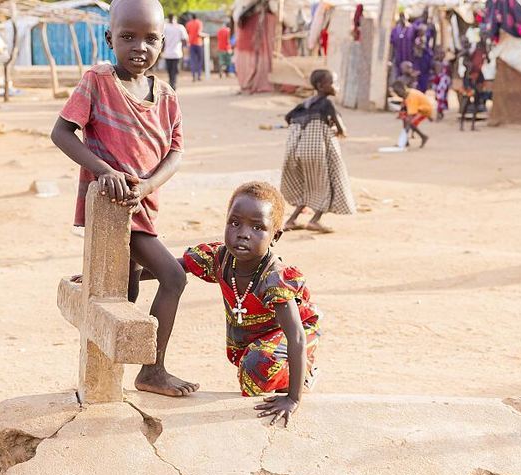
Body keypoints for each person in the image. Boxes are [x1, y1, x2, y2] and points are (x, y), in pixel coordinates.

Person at [50, 0, 199, 397]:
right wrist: (105, 171)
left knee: (124, 291)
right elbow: (62, 133)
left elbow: (176, 153)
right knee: (173, 276)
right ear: (109, 38)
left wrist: (148, 185)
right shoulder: (97, 82)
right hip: (114, 211)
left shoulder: (166, 95)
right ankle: (152, 371)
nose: (139, 47)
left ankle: (104, 385)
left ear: (163, 42)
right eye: (127, 37)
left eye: (150, 39)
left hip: (142, 205)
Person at [181, 182, 322, 425]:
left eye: (258, 227)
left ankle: (299, 376)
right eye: (235, 223)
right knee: (251, 362)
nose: (243, 233)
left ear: (275, 236)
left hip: (295, 332)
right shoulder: (220, 259)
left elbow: (296, 336)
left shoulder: (274, 278)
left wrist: (293, 399)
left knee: (257, 366)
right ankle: (277, 369)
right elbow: (170, 268)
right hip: (252, 337)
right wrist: (131, 269)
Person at [280, 69, 356, 234]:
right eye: (333, 82)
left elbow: (288, 118)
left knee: (308, 186)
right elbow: (341, 128)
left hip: (298, 151)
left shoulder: (303, 105)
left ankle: (291, 220)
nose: (336, 86)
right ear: (321, 86)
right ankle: (315, 220)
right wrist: (334, 130)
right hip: (317, 151)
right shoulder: (327, 103)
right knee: (325, 184)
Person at [392, 80, 433, 148]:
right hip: (418, 109)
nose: (398, 95)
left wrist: (407, 123)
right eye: (396, 93)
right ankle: (405, 141)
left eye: (398, 92)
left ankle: (423, 137)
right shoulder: (407, 93)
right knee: (405, 119)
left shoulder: (411, 96)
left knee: (410, 122)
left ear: (403, 89)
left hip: (424, 110)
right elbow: (404, 108)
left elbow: (411, 114)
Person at [162, 14, 187, 90]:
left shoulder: (165, 27)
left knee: (170, 70)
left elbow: (162, 40)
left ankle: (172, 82)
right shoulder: (180, 27)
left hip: (168, 53)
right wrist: (182, 47)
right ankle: (173, 82)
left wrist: (161, 49)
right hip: (177, 53)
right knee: (174, 70)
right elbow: (185, 39)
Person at [185, 14, 205, 81]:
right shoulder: (199, 23)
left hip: (191, 43)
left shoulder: (188, 23)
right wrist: (205, 35)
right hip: (198, 43)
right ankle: (199, 76)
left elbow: (187, 32)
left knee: (193, 60)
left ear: (191, 17)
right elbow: (199, 33)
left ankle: (193, 76)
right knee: (199, 60)